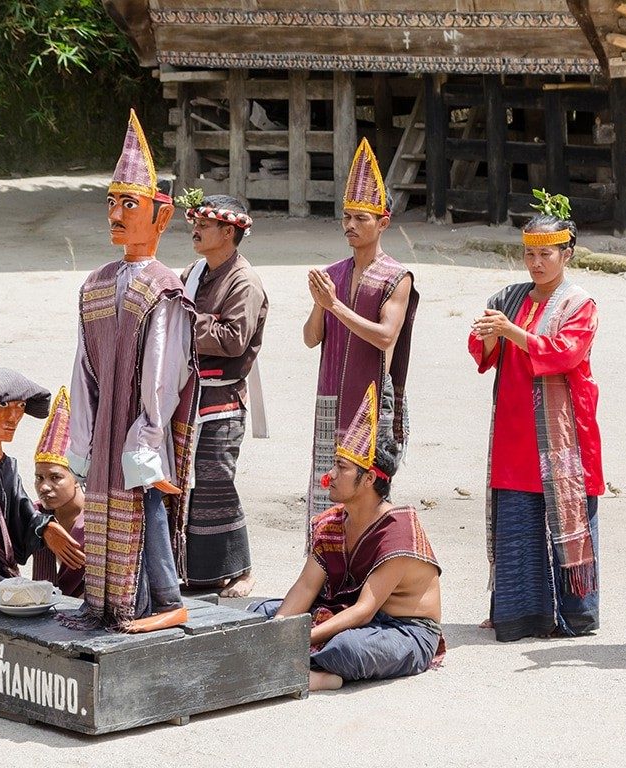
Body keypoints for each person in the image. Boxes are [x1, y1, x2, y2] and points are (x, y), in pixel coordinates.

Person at [65, 109, 199, 633]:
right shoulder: (96, 284)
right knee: (103, 507)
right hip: (104, 426)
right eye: (111, 204)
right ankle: (106, 604)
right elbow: (83, 369)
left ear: (161, 218)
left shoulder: (164, 288)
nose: (115, 215)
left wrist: (144, 435)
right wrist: (86, 433)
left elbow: (164, 375)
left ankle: (160, 602)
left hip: (139, 429)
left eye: (129, 204)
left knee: (145, 507)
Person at [468, 190, 602, 642]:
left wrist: (512, 332)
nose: (536, 263)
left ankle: (573, 616)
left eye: (546, 253)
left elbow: (566, 354)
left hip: (562, 427)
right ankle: (518, 614)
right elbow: (484, 353)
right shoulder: (508, 297)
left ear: (567, 254)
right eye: (529, 253)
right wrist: (491, 335)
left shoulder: (579, 303)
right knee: (517, 517)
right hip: (513, 424)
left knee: (566, 514)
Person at [251, 383, 442, 691]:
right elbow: (306, 585)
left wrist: (298, 638)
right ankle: (295, 661)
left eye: (341, 467)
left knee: (345, 648)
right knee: (261, 614)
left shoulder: (399, 529)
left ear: (368, 479)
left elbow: (365, 609)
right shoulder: (332, 523)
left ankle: (320, 674)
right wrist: (279, 630)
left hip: (403, 629)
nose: (332, 474)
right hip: (348, 611)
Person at [302, 138, 418, 539]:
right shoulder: (333, 272)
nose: (351, 226)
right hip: (331, 396)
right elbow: (310, 338)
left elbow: (386, 337)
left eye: (361, 218)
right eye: (347, 217)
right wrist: (320, 305)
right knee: (327, 490)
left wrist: (334, 305)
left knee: (366, 491)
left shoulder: (395, 276)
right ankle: (322, 570)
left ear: (382, 223)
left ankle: (367, 566)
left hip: (370, 397)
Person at [178, 190, 268, 598]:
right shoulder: (193, 273)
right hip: (188, 397)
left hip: (222, 401)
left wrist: (184, 325)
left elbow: (233, 340)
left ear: (229, 232)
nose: (195, 229)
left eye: (205, 223)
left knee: (217, 482)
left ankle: (241, 570)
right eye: (195, 221)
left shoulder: (244, 281)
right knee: (186, 484)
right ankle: (198, 572)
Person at [0, 368, 83, 593]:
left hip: (0, 581)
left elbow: (21, 515)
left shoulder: (8, 467)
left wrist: (46, 528)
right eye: (2, 405)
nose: (13, 417)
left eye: (20, 406)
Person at [32, 386, 86, 597]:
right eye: (39, 478)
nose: (44, 487)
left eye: (56, 478)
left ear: (76, 478)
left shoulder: (97, 520)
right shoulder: (35, 515)